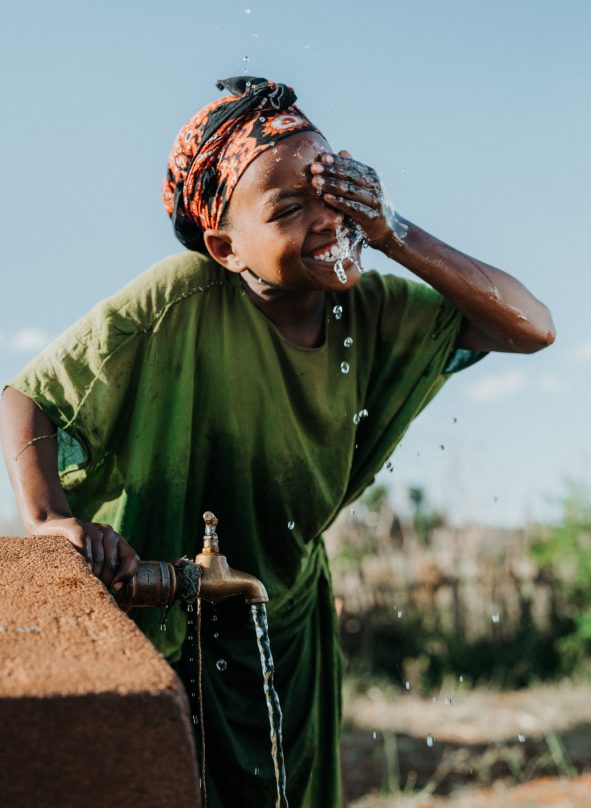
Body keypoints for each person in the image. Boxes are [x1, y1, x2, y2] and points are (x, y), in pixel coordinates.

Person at [0, 76, 555, 807]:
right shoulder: (183, 298)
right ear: (226, 246)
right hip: (163, 615)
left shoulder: (371, 310)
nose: (328, 220)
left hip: (285, 613)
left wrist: (393, 231)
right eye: (290, 208)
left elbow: (530, 326)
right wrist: (48, 520)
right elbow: (27, 398)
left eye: (336, 192)